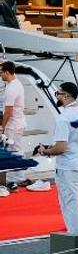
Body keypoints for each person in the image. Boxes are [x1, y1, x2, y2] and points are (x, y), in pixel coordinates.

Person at [37, 82, 78, 233]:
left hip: (66, 167)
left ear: (66, 95)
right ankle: (76, 233)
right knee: (74, 202)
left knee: (70, 204)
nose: (56, 95)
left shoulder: (64, 118)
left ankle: (75, 236)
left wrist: (45, 151)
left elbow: (61, 147)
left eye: (58, 93)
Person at [0, 62, 25, 197]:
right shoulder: (16, 83)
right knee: (16, 150)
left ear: (7, 72)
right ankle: (16, 179)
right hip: (18, 123)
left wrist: (2, 128)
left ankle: (14, 180)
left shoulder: (11, 88)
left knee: (13, 151)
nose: (0, 74)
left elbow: (8, 111)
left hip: (12, 125)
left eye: (1, 72)